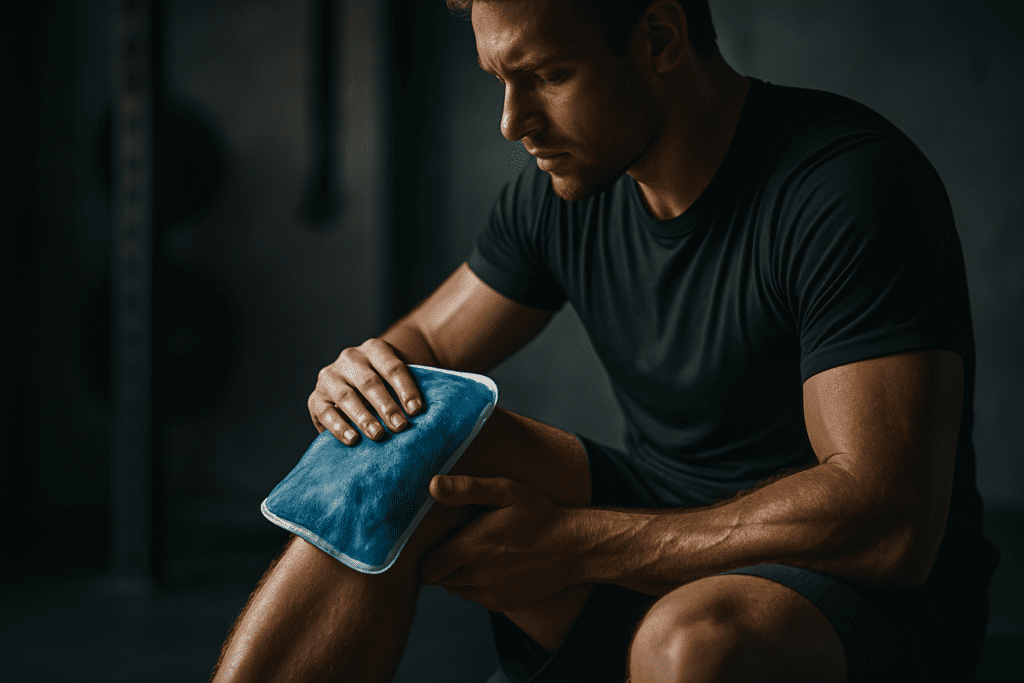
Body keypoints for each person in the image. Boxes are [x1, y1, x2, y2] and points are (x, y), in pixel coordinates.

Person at [209, 1, 1001, 681]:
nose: (513, 123)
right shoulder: (564, 191)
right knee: (396, 436)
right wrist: (359, 374)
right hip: (659, 526)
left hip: (856, 594)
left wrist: (580, 547)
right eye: (500, 81)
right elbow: (420, 346)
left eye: (548, 76)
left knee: (692, 642)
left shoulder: (846, 186)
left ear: (659, 38)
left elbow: (886, 522)